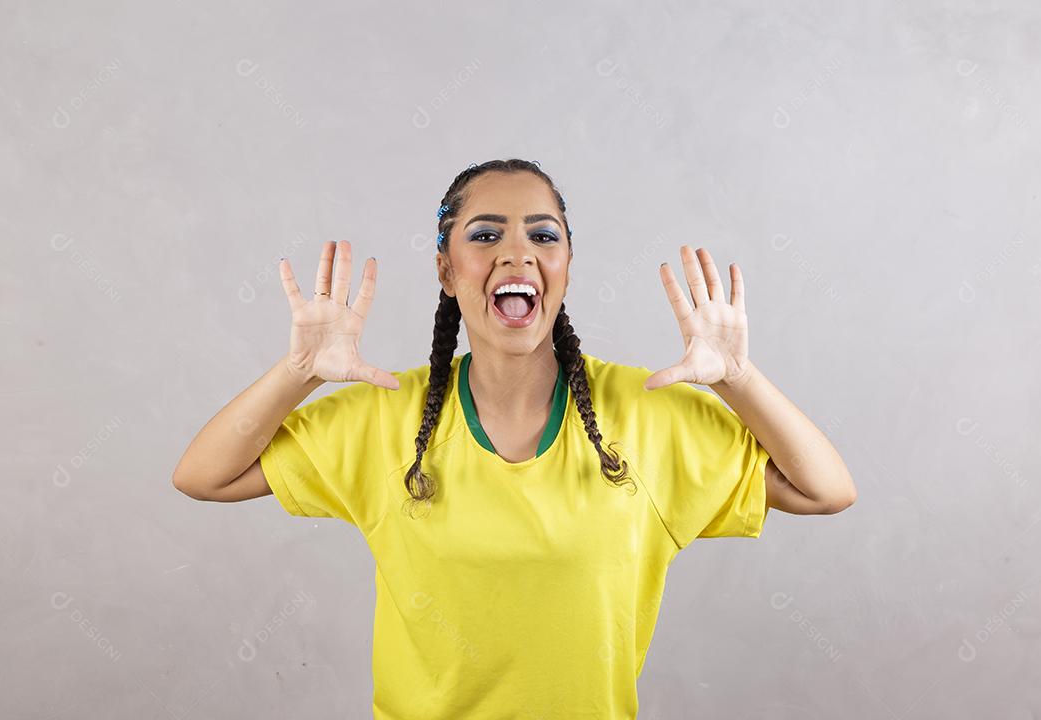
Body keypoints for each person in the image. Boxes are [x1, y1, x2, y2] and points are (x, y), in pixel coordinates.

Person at [172, 158, 857, 719]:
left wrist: (737, 378)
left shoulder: (646, 414)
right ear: (446, 270)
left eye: (542, 235)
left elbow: (826, 490)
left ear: (566, 265)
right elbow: (203, 475)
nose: (517, 254)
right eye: (485, 235)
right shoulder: (387, 418)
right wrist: (297, 374)